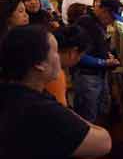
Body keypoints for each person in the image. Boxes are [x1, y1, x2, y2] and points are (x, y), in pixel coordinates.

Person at [0, 25, 112, 158]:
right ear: (39, 64)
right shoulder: (40, 109)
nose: (59, 56)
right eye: (55, 51)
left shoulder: (13, 91)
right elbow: (103, 143)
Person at [73, 0, 123, 122]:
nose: (112, 22)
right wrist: (103, 62)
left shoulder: (99, 23)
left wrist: (107, 55)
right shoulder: (85, 24)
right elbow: (77, 56)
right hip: (86, 77)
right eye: (112, 17)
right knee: (87, 118)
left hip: (99, 75)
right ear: (104, 11)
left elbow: (96, 47)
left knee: (101, 110)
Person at [46, 25, 90, 106]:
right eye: (81, 55)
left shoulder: (42, 62)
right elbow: (60, 113)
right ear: (73, 53)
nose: (79, 59)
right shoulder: (55, 75)